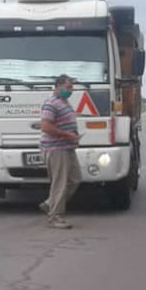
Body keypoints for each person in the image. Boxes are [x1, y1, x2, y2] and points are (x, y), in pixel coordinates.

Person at [39, 75, 81, 229]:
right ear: (58, 86)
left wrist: (73, 136)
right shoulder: (51, 103)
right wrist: (67, 135)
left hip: (67, 147)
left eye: (71, 88)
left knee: (75, 179)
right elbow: (46, 126)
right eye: (68, 87)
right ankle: (55, 216)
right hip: (56, 148)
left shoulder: (64, 102)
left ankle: (50, 203)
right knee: (60, 183)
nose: (70, 90)